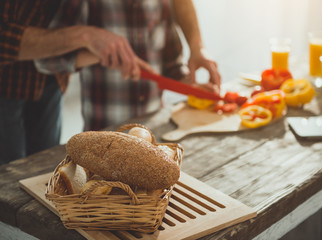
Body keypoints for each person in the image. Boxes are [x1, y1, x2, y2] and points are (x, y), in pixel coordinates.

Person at [0, 0, 154, 165]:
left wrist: (100, 51)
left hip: (51, 82)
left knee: (42, 168)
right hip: (6, 84)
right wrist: (85, 36)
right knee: (7, 176)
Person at [35, 0, 221, 131]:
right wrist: (97, 54)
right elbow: (44, 61)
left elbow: (171, 64)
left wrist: (189, 85)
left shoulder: (162, 4)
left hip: (152, 135)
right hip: (103, 138)